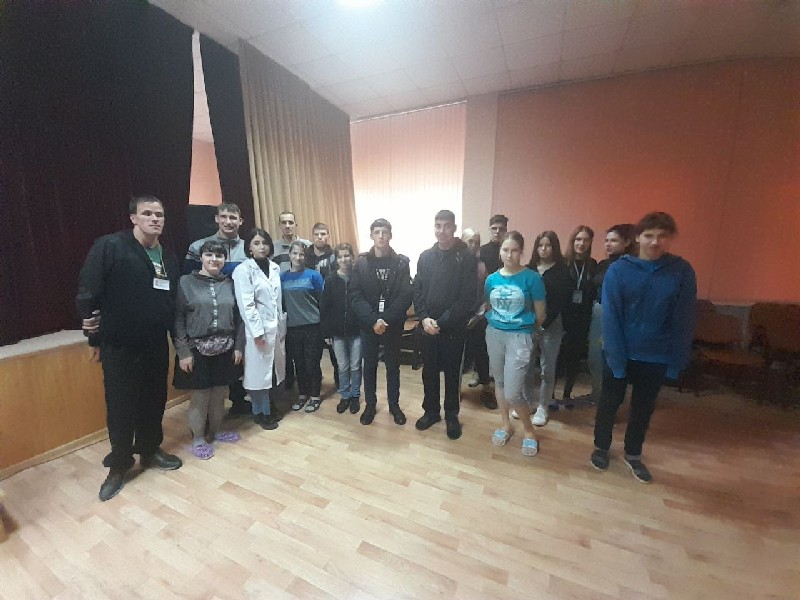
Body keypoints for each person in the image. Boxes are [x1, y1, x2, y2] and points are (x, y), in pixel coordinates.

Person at [76, 195, 182, 502]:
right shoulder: (110, 246)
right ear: (133, 218)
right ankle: (120, 464)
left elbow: (170, 301)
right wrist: (94, 338)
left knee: (154, 400)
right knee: (121, 406)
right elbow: (88, 290)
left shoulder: (167, 256)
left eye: (159, 214)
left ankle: (149, 450)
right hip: (119, 345)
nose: (155, 219)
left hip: (155, 344)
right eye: (147, 213)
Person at [591, 212, 696, 483]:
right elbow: (611, 317)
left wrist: (676, 361)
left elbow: (684, 318)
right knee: (609, 404)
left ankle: (633, 454)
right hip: (619, 352)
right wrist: (616, 358)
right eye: (649, 235)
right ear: (637, 238)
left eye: (662, 236)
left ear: (670, 239)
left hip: (656, 355)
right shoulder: (619, 270)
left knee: (642, 409)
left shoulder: (681, 271)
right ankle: (601, 447)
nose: (655, 242)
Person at [174, 241, 245, 459]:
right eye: (209, 255)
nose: (214, 259)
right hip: (196, 349)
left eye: (219, 256)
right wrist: (183, 352)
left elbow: (239, 318)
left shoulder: (230, 283)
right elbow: (178, 319)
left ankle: (216, 430)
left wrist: (239, 346)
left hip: (226, 347)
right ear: (201, 257)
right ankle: (198, 438)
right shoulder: (186, 282)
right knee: (201, 396)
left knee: (220, 393)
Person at [413, 210, 477, 440]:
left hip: (453, 328)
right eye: (438, 225)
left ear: (454, 228)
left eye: (447, 226)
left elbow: (466, 298)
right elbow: (418, 290)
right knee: (429, 372)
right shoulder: (425, 257)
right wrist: (424, 318)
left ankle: (451, 415)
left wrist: (441, 322)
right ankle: (431, 412)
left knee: (451, 374)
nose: (442, 230)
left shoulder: (466, 257)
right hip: (427, 326)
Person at [183, 202, 251, 416]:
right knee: (210, 377)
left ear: (240, 221)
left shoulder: (248, 247)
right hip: (209, 314)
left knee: (236, 361)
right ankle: (206, 418)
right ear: (217, 219)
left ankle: (238, 401)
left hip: (240, 311)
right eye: (224, 217)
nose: (228, 221)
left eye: (233, 217)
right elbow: (189, 281)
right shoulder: (198, 246)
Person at [485, 231, 546, 456]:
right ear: (500, 252)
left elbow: (540, 314)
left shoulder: (532, 278)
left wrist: (526, 330)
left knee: (513, 391)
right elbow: (489, 306)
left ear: (521, 252)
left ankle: (529, 431)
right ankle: (506, 425)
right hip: (494, 334)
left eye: (514, 250)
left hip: (520, 336)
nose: (509, 255)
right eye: (505, 250)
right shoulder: (492, 279)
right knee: (499, 382)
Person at [350, 218, 413, 426]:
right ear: (371, 236)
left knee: (393, 366)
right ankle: (370, 405)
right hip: (368, 325)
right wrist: (373, 320)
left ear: (390, 235)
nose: (381, 236)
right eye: (377, 232)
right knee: (369, 366)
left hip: (392, 324)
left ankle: (394, 405)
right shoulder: (361, 263)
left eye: (385, 232)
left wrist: (384, 320)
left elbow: (406, 295)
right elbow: (355, 296)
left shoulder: (401, 263)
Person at [232, 228, 287, 430]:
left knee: (272, 371)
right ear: (249, 247)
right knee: (258, 374)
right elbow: (246, 305)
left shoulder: (274, 268)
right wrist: (257, 332)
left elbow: (277, 300)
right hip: (257, 330)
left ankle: (270, 406)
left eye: (264, 243)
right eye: (256, 243)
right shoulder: (243, 271)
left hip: (276, 327)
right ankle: (260, 412)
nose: (261, 247)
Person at [578, 224, 635, 405]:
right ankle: (597, 394)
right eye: (606, 240)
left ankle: (611, 402)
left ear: (627, 242)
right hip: (598, 311)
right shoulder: (603, 264)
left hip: (617, 316)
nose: (608, 244)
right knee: (594, 358)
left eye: (614, 240)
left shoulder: (631, 266)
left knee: (612, 361)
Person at [522, 231, 571, 427]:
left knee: (547, 368)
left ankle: (543, 406)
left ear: (554, 247)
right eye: (540, 245)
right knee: (526, 366)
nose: (543, 249)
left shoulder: (561, 271)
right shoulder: (529, 269)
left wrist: (542, 323)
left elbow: (560, 302)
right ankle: (528, 402)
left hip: (552, 325)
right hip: (529, 325)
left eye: (548, 245)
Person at [281, 241, 325, 413]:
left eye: (301, 254)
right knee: (298, 363)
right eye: (295, 253)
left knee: (312, 363)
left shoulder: (314, 276)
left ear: (305, 257)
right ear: (289, 255)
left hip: (313, 326)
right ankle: (302, 394)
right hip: (292, 327)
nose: (298, 257)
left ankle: (315, 396)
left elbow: (322, 301)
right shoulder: (282, 277)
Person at [320, 243, 362, 415]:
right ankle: (344, 395)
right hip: (337, 333)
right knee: (342, 366)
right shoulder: (330, 280)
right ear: (336, 259)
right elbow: (325, 307)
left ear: (352, 257)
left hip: (357, 331)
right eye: (340, 256)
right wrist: (326, 332)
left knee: (356, 366)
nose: (344, 259)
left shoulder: (359, 278)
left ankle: (355, 395)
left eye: (346, 255)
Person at [559, 225, 597, 405]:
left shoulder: (593, 265)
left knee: (574, 359)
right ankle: (551, 396)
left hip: (582, 319)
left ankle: (567, 394)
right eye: (578, 239)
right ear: (572, 241)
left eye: (586, 240)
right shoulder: (562, 263)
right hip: (562, 317)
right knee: (557, 358)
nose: (581, 243)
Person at [461, 228, 496, 409]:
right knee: (458, 357)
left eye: (476, 242)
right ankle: (455, 390)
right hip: (458, 320)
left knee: (482, 356)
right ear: (462, 241)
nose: (473, 245)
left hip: (479, 319)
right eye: (470, 241)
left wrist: (477, 316)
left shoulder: (482, 267)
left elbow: (487, 296)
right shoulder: (454, 264)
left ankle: (487, 390)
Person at [305, 222, 340, 390]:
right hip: (310, 309)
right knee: (313, 355)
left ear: (328, 236)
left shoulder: (335, 256)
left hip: (331, 310)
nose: (320, 237)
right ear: (313, 236)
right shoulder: (305, 256)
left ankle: (341, 385)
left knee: (335, 354)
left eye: (323, 234)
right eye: (317, 234)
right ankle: (315, 388)